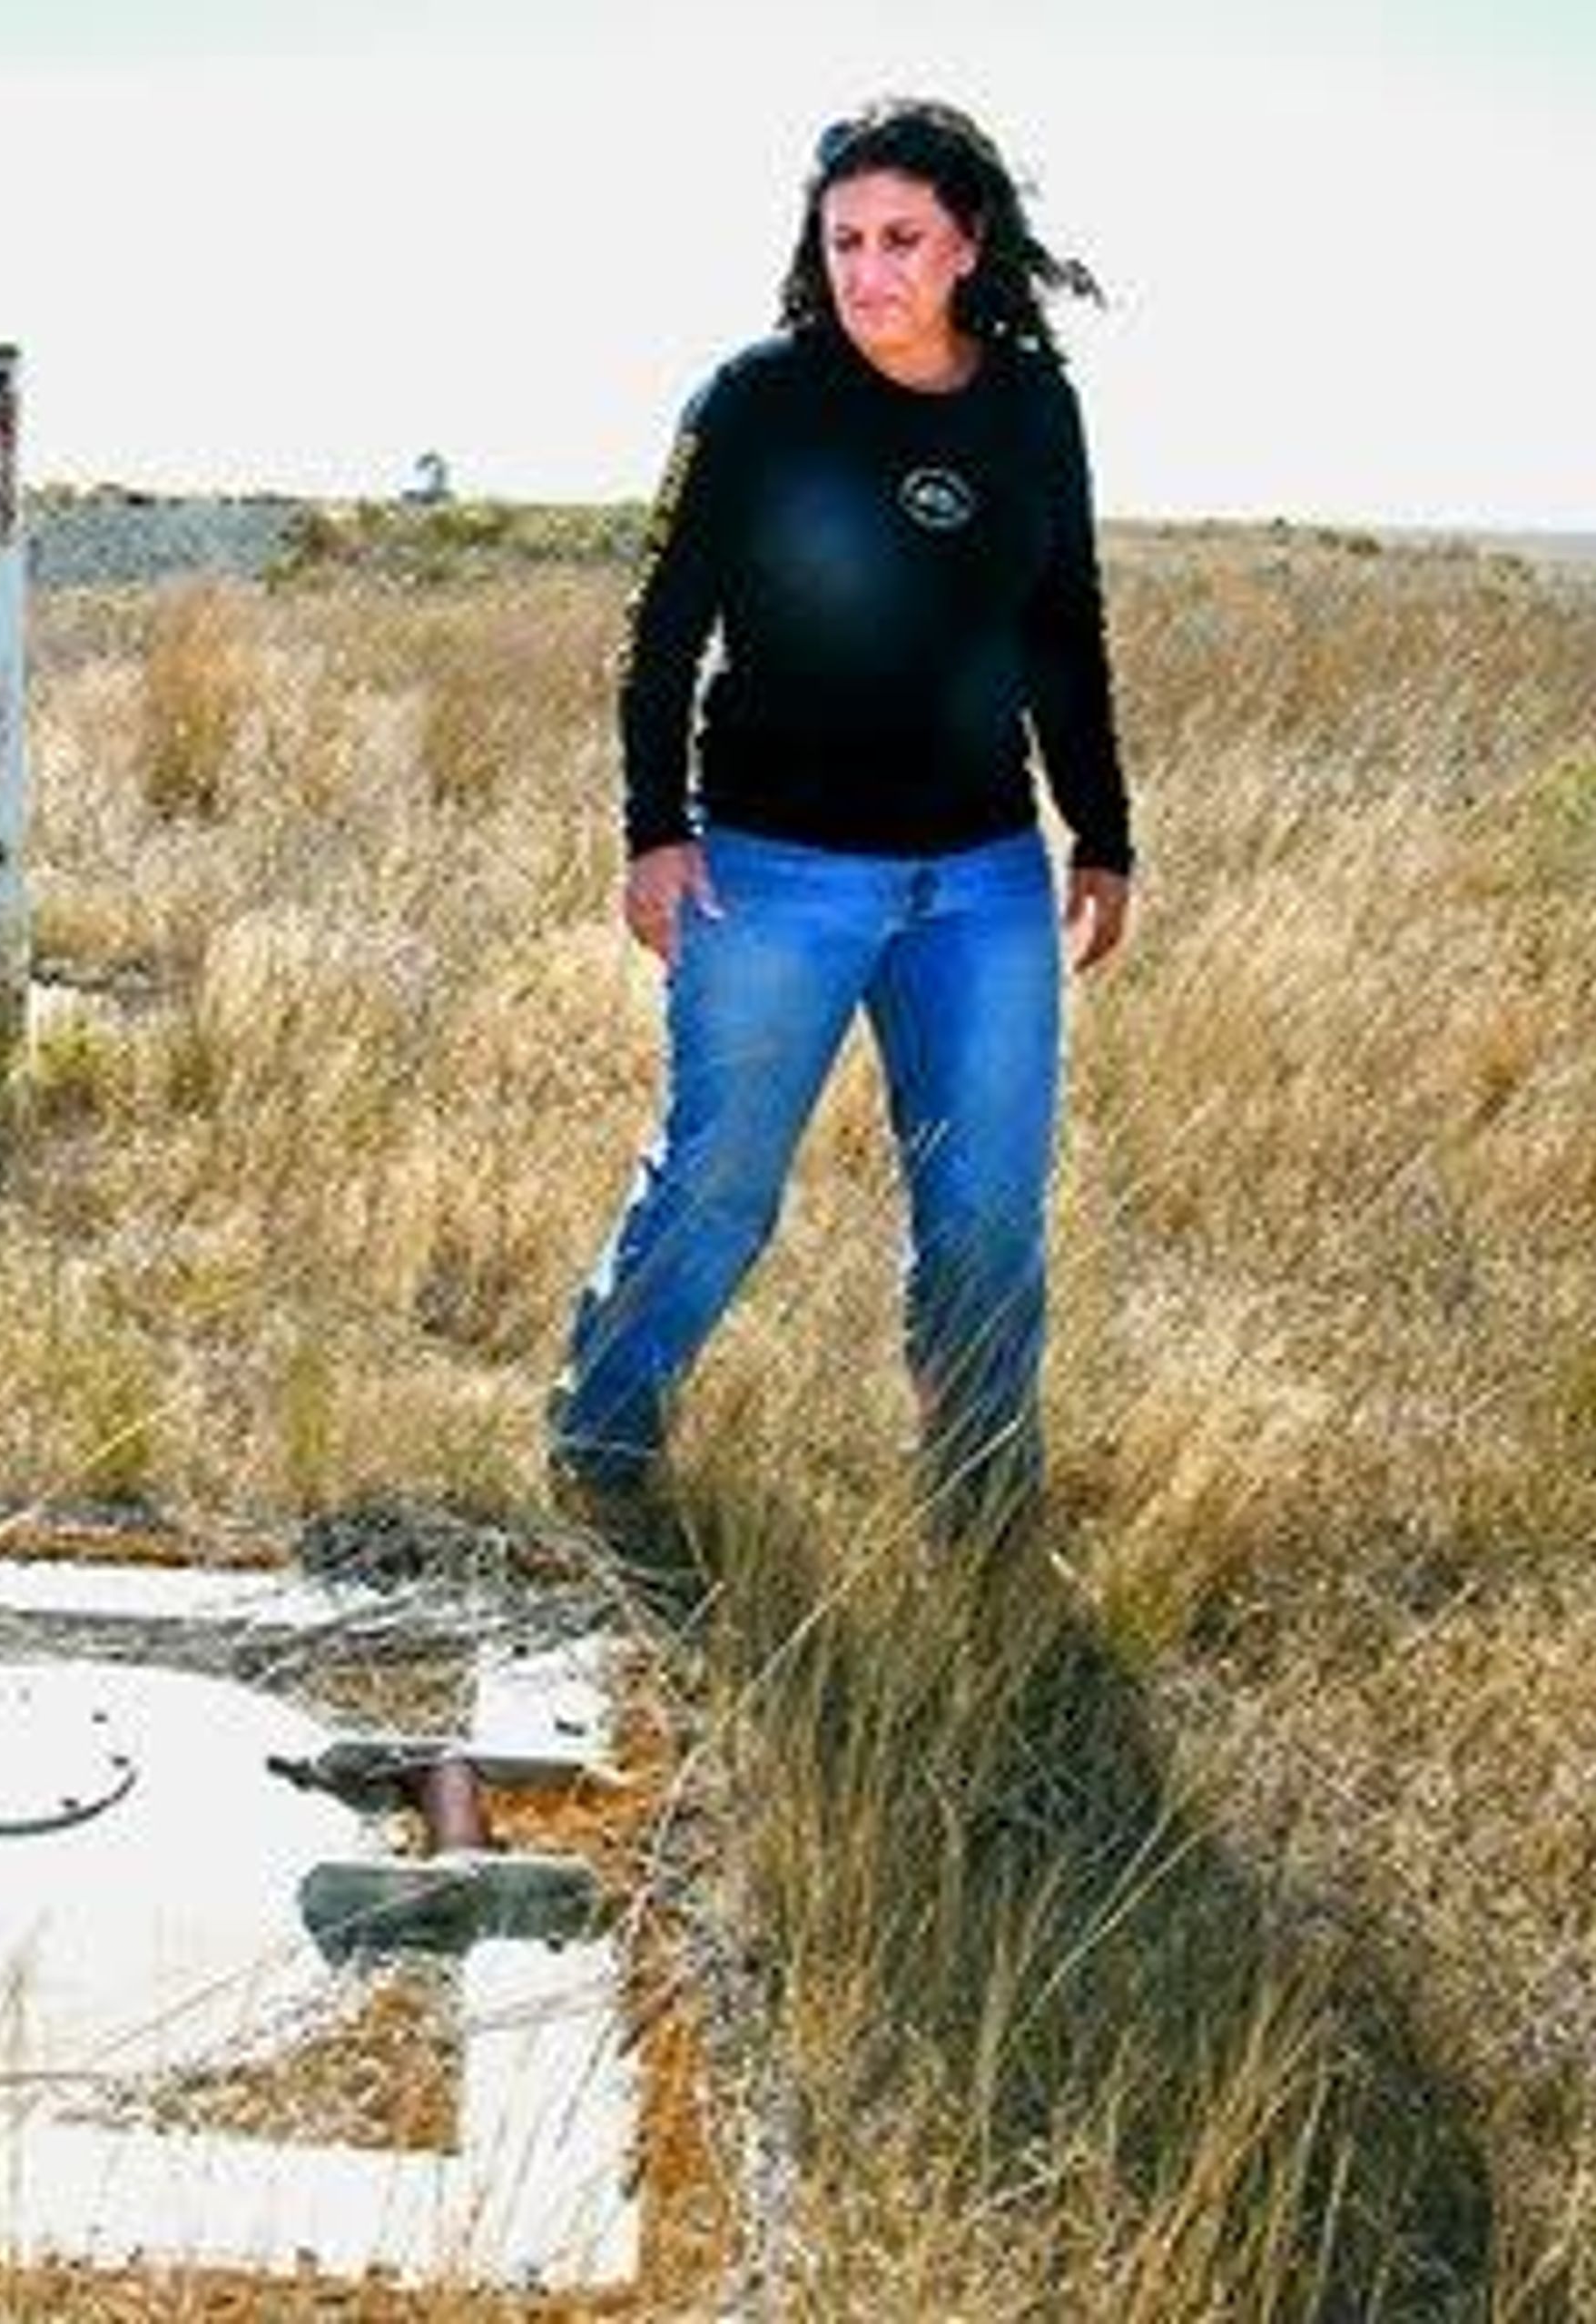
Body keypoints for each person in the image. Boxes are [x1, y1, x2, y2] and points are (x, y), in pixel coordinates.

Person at [548, 97, 1133, 1580]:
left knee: (988, 1208)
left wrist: (1100, 830)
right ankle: (602, 1444)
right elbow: (659, 629)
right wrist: (652, 831)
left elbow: (1064, 626)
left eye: (903, 239)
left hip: (983, 882)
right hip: (775, 874)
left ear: (968, 246)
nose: (871, 269)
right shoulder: (757, 402)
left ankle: (985, 1509)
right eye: (845, 238)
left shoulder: (1030, 406)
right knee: (720, 1184)